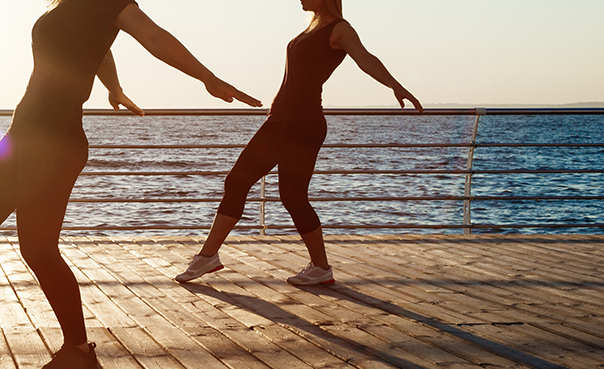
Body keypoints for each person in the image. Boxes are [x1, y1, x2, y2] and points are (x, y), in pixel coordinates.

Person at [0, 0, 260, 369]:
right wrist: (115, 87)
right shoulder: (65, 6)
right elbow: (97, 50)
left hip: (53, 141)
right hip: (24, 137)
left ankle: (77, 350)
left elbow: (153, 37)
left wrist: (206, 77)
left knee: (37, 249)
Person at [175, 0, 422, 285]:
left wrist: (395, 85)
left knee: (273, 191)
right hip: (282, 121)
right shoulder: (311, 28)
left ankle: (215, 257)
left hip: (303, 124)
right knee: (247, 185)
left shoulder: (339, 29)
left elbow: (366, 59)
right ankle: (314, 267)